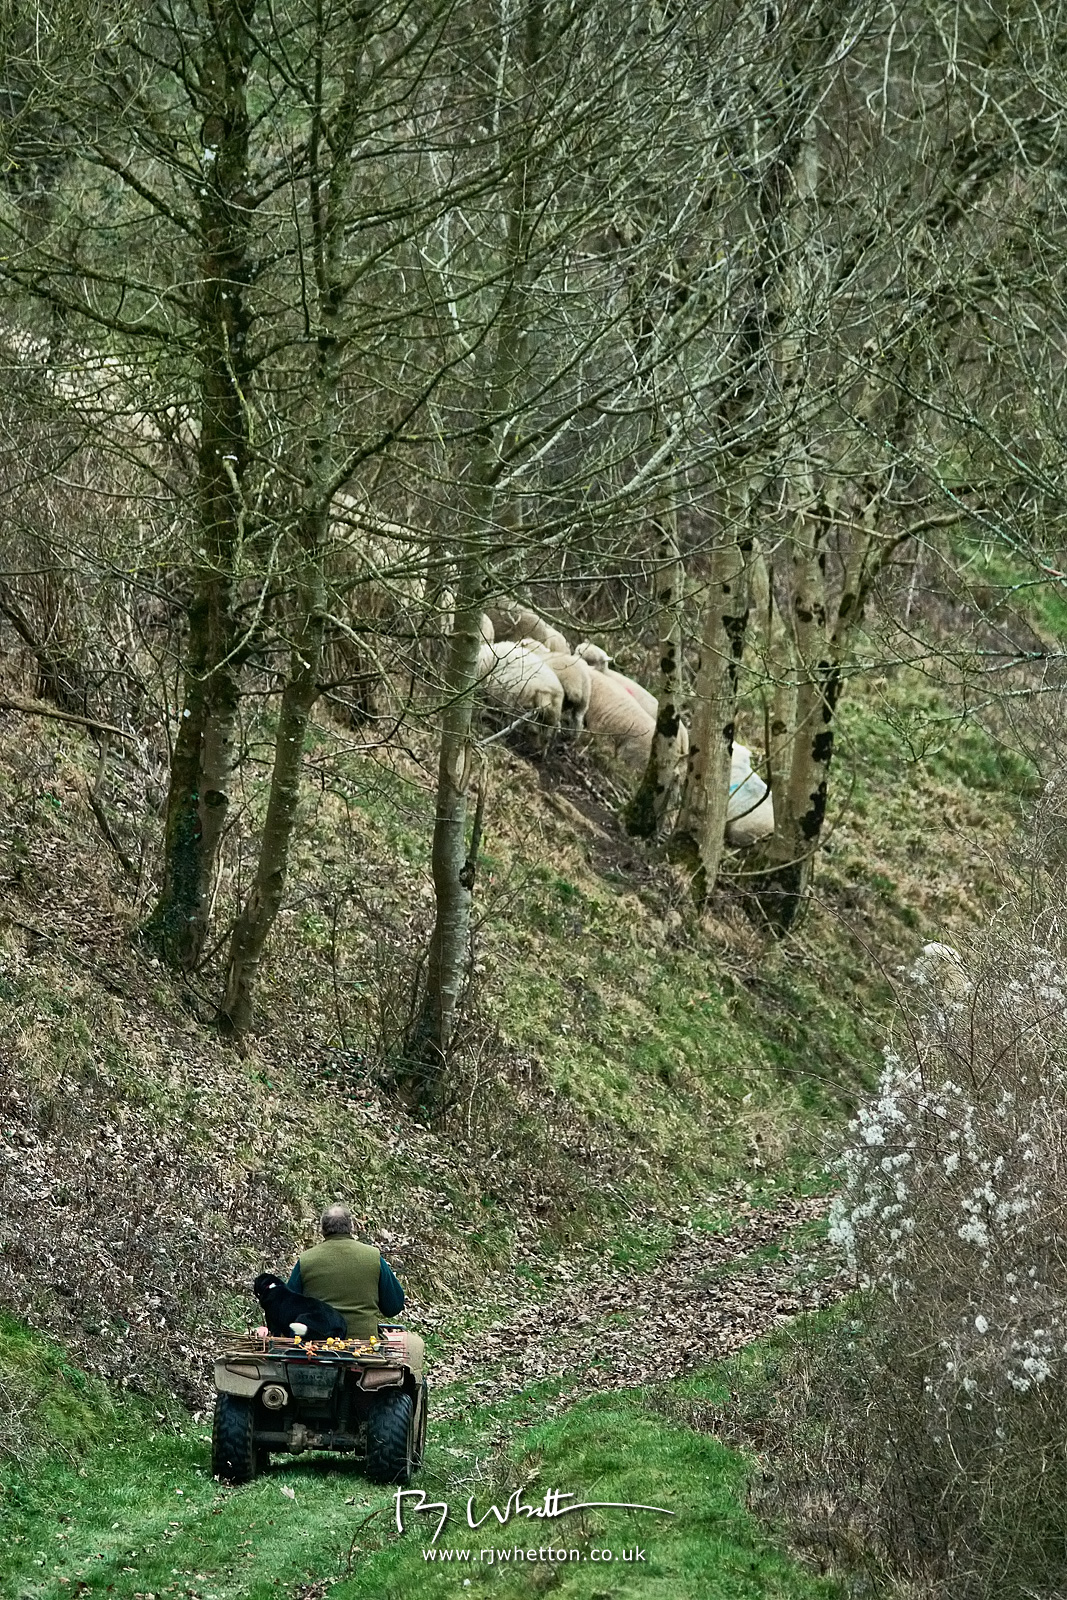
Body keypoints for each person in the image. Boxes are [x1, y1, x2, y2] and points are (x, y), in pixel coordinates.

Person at [286, 1203, 404, 1341]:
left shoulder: (306, 1260)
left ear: (322, 1229)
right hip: (365, 1346)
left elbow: (287, 1308)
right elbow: (394, 1306)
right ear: (351, 1227)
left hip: (317, 1345)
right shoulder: (373, 1257)